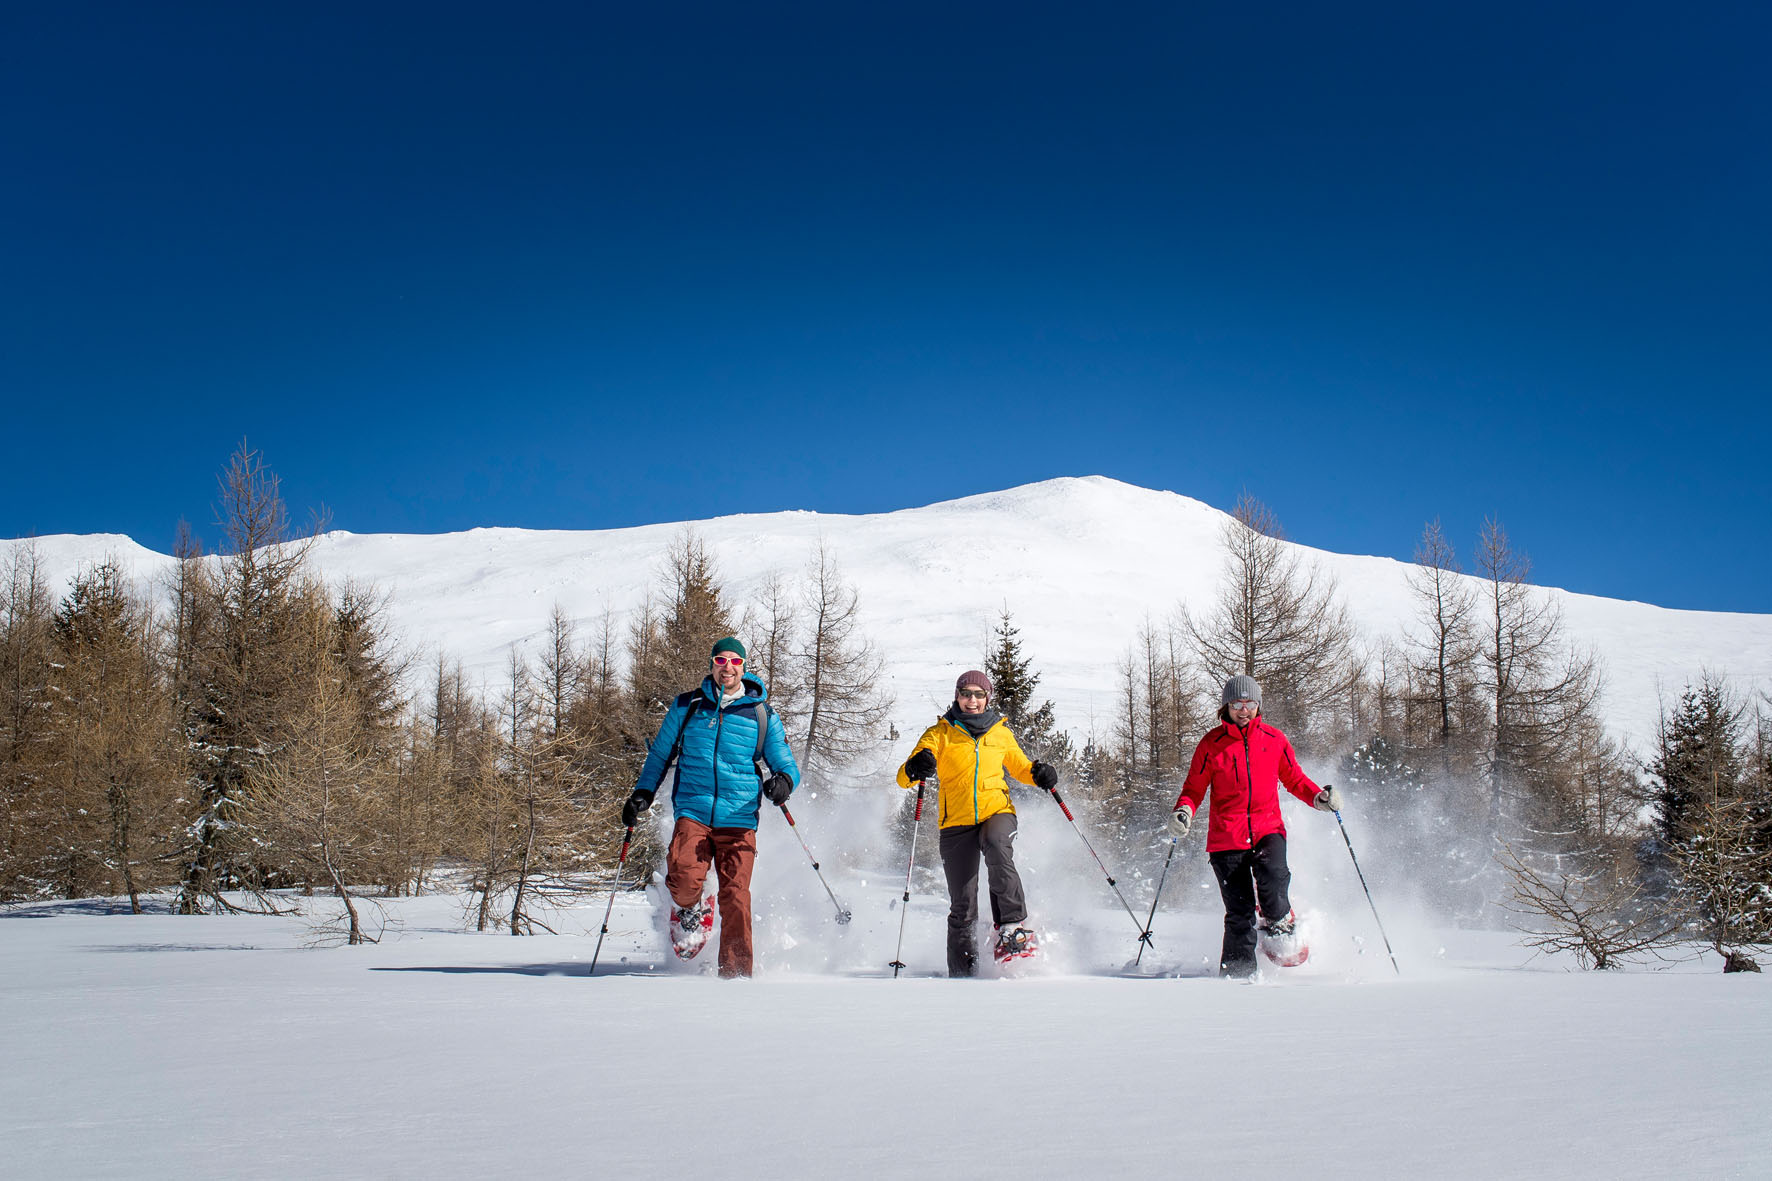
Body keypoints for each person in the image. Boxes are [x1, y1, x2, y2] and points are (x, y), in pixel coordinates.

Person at [623, 636, 800, 978]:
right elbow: (660, 755)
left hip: (739, 818)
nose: (727, 667)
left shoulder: (761, 714)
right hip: (694, 811)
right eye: (721, 661)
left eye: (734, 661)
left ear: (743, 667)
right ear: (712, 665)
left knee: (736, 895)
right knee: (683, 877)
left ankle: (735, 977)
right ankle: (690, 905)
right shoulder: (687, 706)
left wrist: (784, 782)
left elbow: (786, 763)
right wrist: (643, 792)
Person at [1167, 674, 1342, 978]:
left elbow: (1294, 779)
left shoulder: (1274, 739)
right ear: (1226, 707)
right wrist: (1184, 811)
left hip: (1267, 830)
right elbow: (1194, 788)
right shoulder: (1211, 745)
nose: (1243, 710)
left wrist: (1318, 797)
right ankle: (1237, 977)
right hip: (1226, 838)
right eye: (1237, 704)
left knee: (1273, 880)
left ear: (1258, 705)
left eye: (1249, 704)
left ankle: (1280, 923)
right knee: (1239, 913)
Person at [896, 670, 1060, 977]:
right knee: (963, 904)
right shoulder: (939, 733)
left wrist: (1038, 773)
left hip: (996, 811)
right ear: (957, 696)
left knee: (997, 845)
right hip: (955, 823)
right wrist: (915, 767)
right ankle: (962, 974)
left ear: (987, 698)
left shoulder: (1000, 732)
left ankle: (1011, 927)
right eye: (966, 694)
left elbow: (1021, 767)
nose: (972, 700)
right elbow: (904, 778)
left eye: (978, 694)